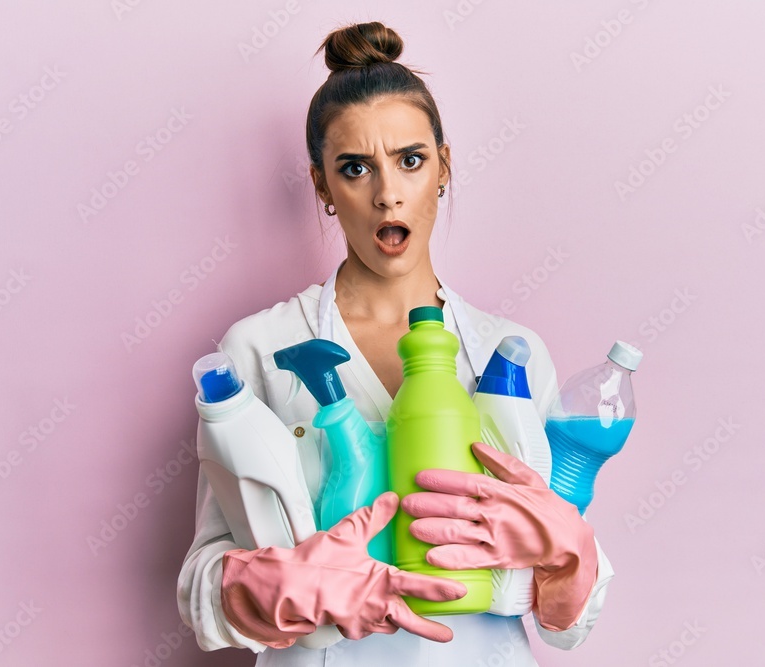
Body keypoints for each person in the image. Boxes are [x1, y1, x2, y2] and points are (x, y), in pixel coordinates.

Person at [177, 21, 615, 666]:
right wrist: (276, 585)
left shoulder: (510, 354)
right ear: (323, 186)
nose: (387, 194)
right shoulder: (262, 347)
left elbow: (566, 628)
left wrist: (568, 552)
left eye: (410, 160)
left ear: (443, 166)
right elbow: (200, 585)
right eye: (355, 169)